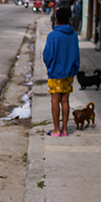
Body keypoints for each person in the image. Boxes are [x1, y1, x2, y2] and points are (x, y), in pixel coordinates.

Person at [42, 7, 79, 137]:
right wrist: (73, 71)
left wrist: (50, 67)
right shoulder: (73, 35)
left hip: (55, 73)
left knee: (55, 100)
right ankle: (64, 130)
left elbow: (47, 55)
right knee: (65, 101)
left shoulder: (53, 35)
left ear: (56, 19)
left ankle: (56, 129)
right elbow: (76, 55)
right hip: (69, 73)